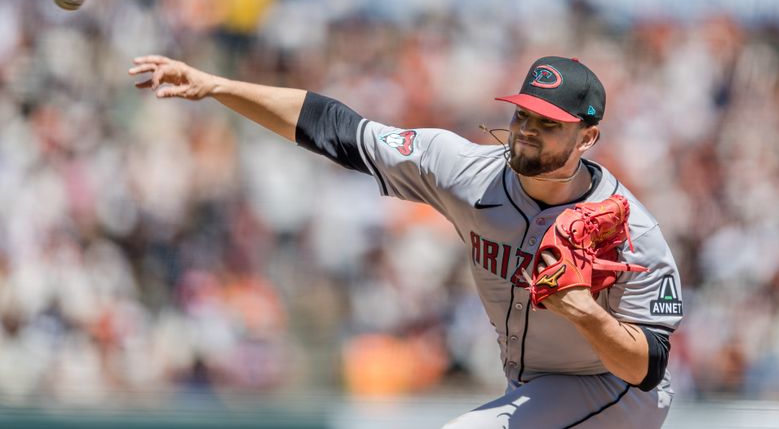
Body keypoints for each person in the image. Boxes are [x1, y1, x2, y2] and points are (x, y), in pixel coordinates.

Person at [128, 54, 683, 428]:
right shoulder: (466, 170)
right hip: (532, 384)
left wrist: (584, 313)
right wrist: (219, 86)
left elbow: (650, 365)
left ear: (587, 136)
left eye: (549, 123)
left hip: (613, 394)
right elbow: (336, 129)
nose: (528, 129)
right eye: (522, 114)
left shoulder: (634, 232)